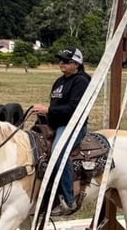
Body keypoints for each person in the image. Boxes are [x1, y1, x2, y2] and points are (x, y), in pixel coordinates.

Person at [33, 46, 91, 216]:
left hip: (73, 126)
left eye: (65, 61)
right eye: (60, 60)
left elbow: (75, 109)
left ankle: (69, 200)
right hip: (56, 124)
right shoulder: (59, 81)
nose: (61, 63)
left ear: (76, 64)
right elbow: (56, 106)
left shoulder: (82, 81)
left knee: (58, 153)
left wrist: (48, 111)